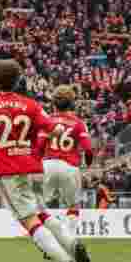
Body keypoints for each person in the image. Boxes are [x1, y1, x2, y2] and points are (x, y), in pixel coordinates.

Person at [0, 60, 84, 262]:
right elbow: (53, 129)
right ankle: (71, 242)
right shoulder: (31, 105)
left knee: (27, 219)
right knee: (41, 211)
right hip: (33, 167)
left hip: (7, 170)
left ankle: (63, 260)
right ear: (17, 80)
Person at [37, 84, 93, 240]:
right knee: (73, 207)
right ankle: (68, 239)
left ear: (54, 103)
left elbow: (40, 146)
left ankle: (50, 238)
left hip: (47, 165)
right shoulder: (79, 123)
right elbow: (88, 150)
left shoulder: (47, 121)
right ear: (72, 103)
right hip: (69, 167)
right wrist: (88, 166)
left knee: (39, 206)